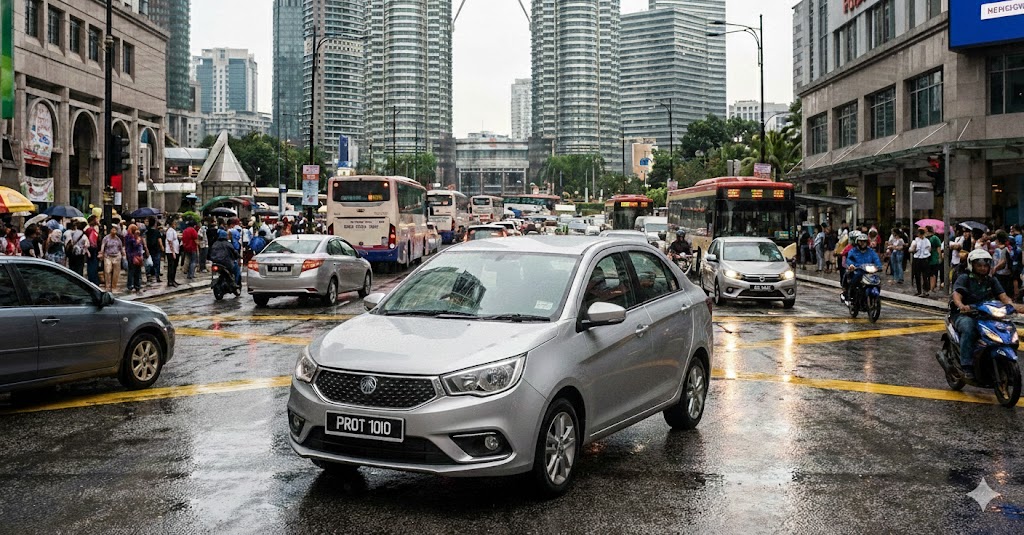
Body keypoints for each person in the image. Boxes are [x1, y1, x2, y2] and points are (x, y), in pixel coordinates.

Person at [951, 249, 1024, 380]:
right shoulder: (965, 278)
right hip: (965, 315)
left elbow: (1003, 296)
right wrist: (961, 306)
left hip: (985, 314)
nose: (983, 268)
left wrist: (1012, 306)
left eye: (985, 265)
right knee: (969, 329)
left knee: (1005, 328)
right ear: (971, 265)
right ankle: (966, 365)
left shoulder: (992, 280)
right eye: (979, 265)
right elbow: (957, 294)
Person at [842, 233, 883, 301]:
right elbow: (849, 259)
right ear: (857, 242)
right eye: (860, 241)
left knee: (877, 280)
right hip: (858, 270)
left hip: (869, 272)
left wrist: (879, 266)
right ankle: (852, 295)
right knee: (855, 278)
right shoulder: (853, 251)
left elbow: (876, 259)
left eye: (864, 241)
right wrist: (852, 265)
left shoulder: (871, 251)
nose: (862, 243)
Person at [99, 225, 124, 293]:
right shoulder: (106, 238)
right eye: (113, 230)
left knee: (116, 272)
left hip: (117, 256)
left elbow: (121, 247)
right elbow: (103, 246)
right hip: (108, 256)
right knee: (107, 271)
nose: (114, 231)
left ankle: (114, 286)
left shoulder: (118, 239)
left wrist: (123, 254)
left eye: (115, 230)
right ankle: (107, 286)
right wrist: (101, 253)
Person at [909, 228, 932, 297]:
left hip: (923, 259)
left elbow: (929, 249)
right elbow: (911, 250)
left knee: (925, 276)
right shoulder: (917, 241)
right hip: (918, 259)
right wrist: (913, 249)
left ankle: (924, 291)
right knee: (918, 276)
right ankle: (920, 291)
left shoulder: (926, 241)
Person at [125, 225, 146, 293]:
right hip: (132, 256)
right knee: (131, 271)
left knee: (138, 271)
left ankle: (137, 285)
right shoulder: (129, 237)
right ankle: (130, 285)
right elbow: (134, 244)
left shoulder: (135, 237)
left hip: (138, 256)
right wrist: (137, 239)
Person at [164, 216, 180, 287]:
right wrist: (173, 252)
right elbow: (170, 242)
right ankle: (170, 281)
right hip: (171, 252)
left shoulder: (173, 230)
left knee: (174, 266)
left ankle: (173, 280)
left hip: (175, 251)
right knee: (171, 267)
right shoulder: (170, 231)